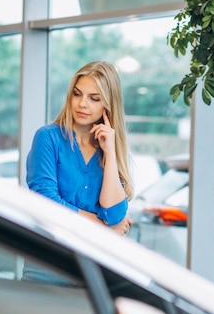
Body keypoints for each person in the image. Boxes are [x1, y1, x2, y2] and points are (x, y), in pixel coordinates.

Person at [26, 60, 134, 237]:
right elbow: (46, 203)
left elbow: (113, 216)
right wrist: (102, 228)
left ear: (108, 104)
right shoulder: (47, 138)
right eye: (77, 94)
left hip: (93, 259)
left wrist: (110, 154)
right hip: (48, 256)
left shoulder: (111, 150)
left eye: (94, 98)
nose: (82, 104)